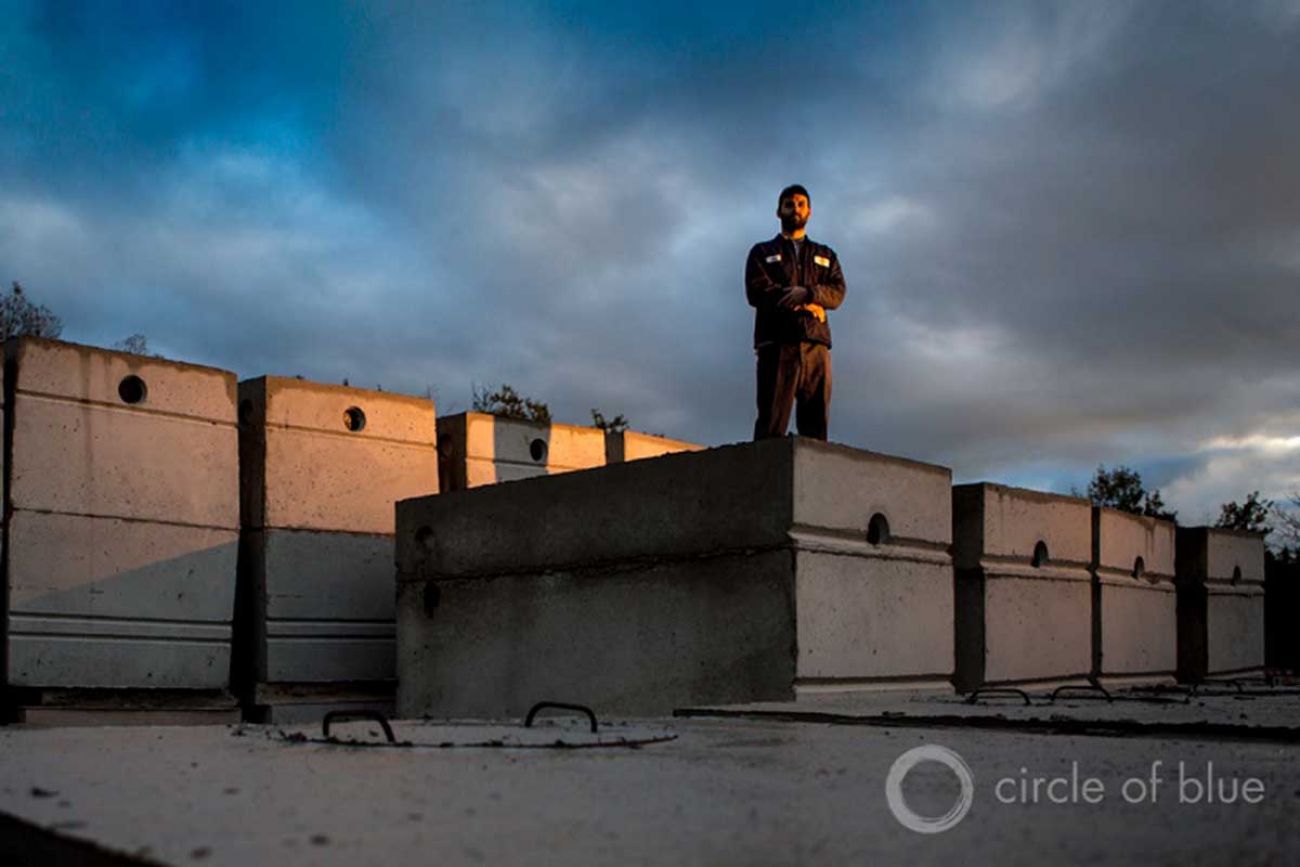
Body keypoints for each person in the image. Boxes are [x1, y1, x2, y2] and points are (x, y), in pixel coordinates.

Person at [744, 184, 846, 441]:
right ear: (778, 211)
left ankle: (814, 480)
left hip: (816, 346)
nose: (795, 209)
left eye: (801, 204)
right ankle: (765, 478)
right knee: (771, 425)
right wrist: (803, 301)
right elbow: (757, 291)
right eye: (789, 204)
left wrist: (810, 293)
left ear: (809, 211)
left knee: (816, 429)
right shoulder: (762, 252)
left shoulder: (826, 255)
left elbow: (837, 292)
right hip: (777, 345)